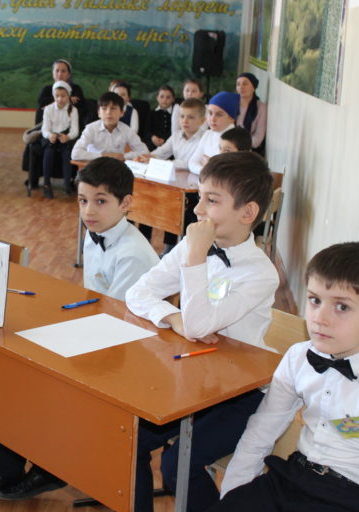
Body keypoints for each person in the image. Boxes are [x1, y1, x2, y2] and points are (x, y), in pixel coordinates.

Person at [0, 157, 159, 504]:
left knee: (38, 378)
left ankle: (49, 468)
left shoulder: (133, 254)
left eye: (100, 201)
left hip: (126, 357)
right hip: (100, 338)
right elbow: (94, 301)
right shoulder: (97, 235)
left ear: (126, 203)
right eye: (83, 200)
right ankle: (13, 469)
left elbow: (120, 326)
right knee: (21, 369)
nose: (89, 211)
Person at [211, 242, 359, 512]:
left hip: (351, 497)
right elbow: (260, 432)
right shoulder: (298, 357)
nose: (320, 318)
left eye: (342, 307)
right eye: (315, 300)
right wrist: (233, 497)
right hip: (293, 477)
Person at [125, 151, 278, 512]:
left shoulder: (260, 274)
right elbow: (138, 293)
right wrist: (173, 318)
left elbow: (199, 324)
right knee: (129, 439)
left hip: (240, 392)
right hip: (193, 375)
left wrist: (195, 258)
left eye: (211, 200)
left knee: (176, 465)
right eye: (199, 197)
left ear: (247, 213)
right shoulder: (192, 247)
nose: (197, 209)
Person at [141, 98, 207, 254]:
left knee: (179, 213)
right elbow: (161, 152)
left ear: (202, 121)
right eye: (182, 116)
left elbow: (190, 163)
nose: (185, 121)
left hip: (193, 188)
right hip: (174, 184)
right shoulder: (176, 135)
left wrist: (169, 163)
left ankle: (178, 249)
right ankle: (155, 247)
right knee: (151, 203)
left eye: (190, 117)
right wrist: (148, 157)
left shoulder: (205, 138)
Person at [71, 92, 147, 162]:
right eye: (104, 109)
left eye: (113, 108)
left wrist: (123, 156)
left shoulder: (127, 130)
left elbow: (145, 152)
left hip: (116, 166)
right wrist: (103, 156)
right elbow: (75, 154)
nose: (108, 112)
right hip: (95, 166)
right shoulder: (91, 129)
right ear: (99, 113)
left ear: (122, 113)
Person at [40, 80, 79, 199]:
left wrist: (67, 137)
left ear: (68, 96)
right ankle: (47, 184)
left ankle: (67, 183)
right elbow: (44, 129)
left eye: (63, 96)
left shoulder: (73, 110)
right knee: (49, 152)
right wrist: (49, 136)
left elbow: (75, 130)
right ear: (53, 96)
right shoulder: (49, 109)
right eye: (57, 96)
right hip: (52, 137)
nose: (60, 99)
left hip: (65, 137)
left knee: (67, 154)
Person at [188, 91, 239, 175]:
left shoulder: (237, 139)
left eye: (219, 115)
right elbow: (192, 163)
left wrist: (207, 165)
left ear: (231, 118)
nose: (212, 118)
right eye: (210, 113)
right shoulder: (207, 134)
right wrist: (207, 169)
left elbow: (227, 172)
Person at [236, 72, 267, 154]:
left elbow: (257, 139)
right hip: (227, 146)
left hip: (248, 151)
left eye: (245, 84)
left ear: (253, 87)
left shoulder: (261, 107)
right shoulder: (231, 103)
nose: (241, 87)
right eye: (238, 84)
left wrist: (237, 144)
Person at [147, 85, 176, 150]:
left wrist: (164, 139)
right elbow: (146, 131)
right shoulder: (151, 113)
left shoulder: (175, 114)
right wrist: (153, 137)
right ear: (157, 98)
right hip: (153, 144)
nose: (165, 100)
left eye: (168, 97)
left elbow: (175, 131)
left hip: (170, 145)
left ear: (173, 99)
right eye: (162, 97)